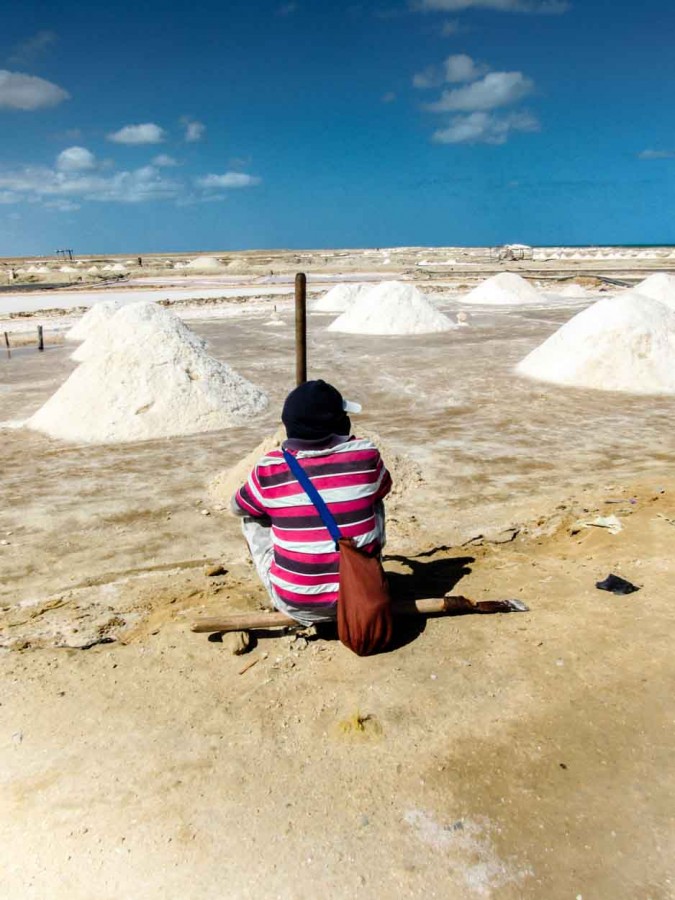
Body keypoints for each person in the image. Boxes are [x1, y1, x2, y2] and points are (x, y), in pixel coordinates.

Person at [231, 379, 392, 625]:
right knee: (375, 501)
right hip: (364, 595)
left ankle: (294, 581)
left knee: (252, 514)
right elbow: (384, 487)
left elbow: (236, 506)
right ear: (341, 423)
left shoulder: (270, 468)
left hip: (297, 605)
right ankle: (363, 572)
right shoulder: (366, 454)